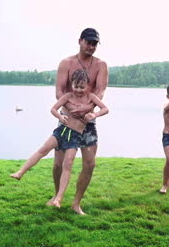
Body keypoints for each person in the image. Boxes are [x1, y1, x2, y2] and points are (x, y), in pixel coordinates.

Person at [11, 69, 109, 205]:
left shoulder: (91, 97)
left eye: (82, 87)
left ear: (87, 85)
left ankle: (58, 198)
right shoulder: (67, 96)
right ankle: (20, 172)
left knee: (67, 164)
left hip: (75, 137)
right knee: (43, 150)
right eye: (76, 86)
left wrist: (94, 115)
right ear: (71, 84)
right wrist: (60, 116)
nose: (79, 90)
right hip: (62, 131)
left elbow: (105, 109)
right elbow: (53, 109)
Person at [49, 27, 109, 215]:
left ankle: (76, 203)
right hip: (67, 119)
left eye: (94, 43)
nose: (91, 46)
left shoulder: (101, 65)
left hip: (88, 120)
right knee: (59, 163)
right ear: (80, 41)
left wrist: (87, 110)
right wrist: (70, 110)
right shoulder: (66, 63)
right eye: (88, 42)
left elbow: (99, 92)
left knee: (89, 164)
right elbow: (59, 91)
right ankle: (56, 196)